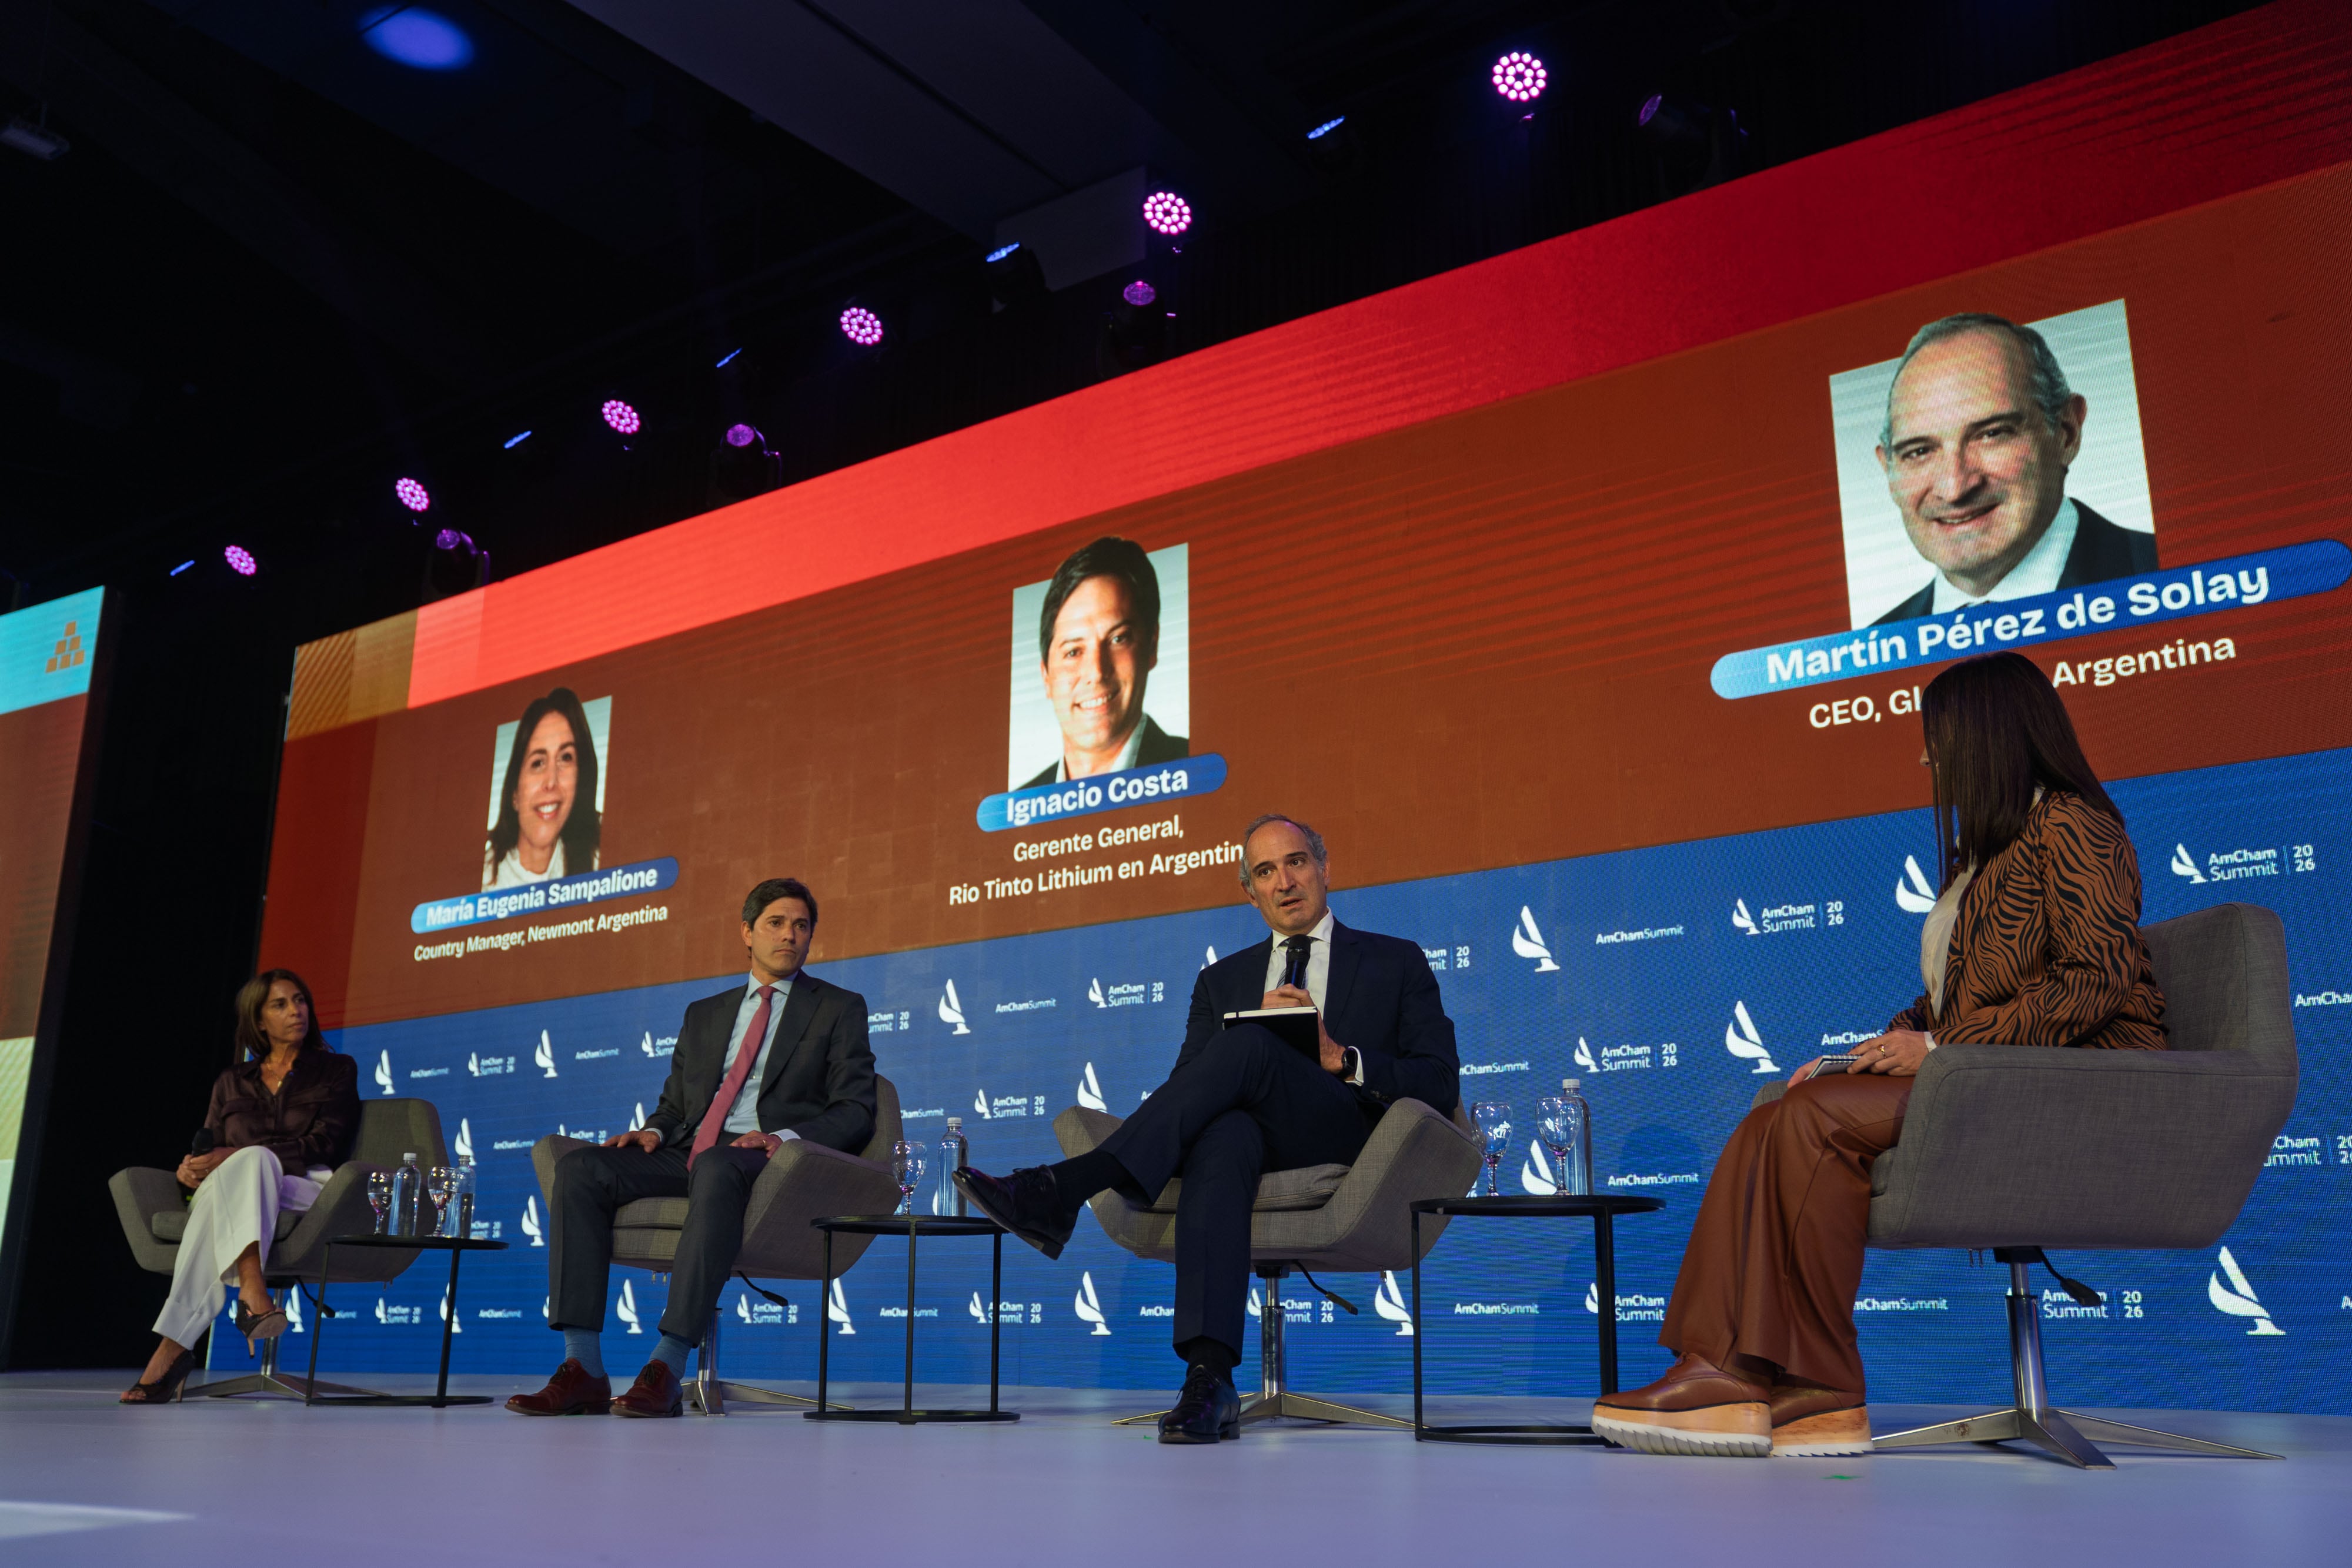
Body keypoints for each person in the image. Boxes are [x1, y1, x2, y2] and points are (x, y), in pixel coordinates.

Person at [1593, 651, 2165, 1457]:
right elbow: (1953, 1002)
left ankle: (1806, 1382)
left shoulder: (2075, 823)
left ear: (1988, 738)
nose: (1925, 759)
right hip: (1987, 1072)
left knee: (1814, 1122)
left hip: (2067, 1086)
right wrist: (1856, 1056)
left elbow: (2096, 982)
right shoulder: (1988, 854)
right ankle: (1748, 1376)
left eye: (1937, 739)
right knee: (1776, 1115)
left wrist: (1935, 1045)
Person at [955, 814, 1457, 1443]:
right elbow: (1187, 1092)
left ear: (1325, 868)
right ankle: (1209, 1378)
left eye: (1296, 862)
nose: (1284, 882)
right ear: (1249, 891)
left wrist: (1339, 1056)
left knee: (1246, 1044)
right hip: (1248, 1145)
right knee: (1223, 1135)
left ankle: (1065, 1187)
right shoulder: (1220, 980)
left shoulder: (1394, 961)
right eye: (1265, 872)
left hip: (1347, 1139)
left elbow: (1440, 1082)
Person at [506, 878, 877, 1418]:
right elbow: (677, 1105)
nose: (791, 936)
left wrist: (782, 1138)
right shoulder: (705, 1013)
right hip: (690, 1149)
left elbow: (856, 1109)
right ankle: (582, 1365)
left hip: (766, 1158)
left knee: (720, 1165)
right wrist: (655, 1130)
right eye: (776, 923)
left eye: (802, 926)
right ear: (747, 932)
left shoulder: (838, 1008)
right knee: (583, 1167)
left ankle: (667, 1364)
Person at [121, 970, 359, 1404]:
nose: (296, 1010)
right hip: (239, 1192)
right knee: (235, 1177)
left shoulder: (335, 1069)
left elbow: (324, 1143)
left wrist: (236, 1157)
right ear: (259, 1021)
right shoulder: (231, 1080)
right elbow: (208, 1148)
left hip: (310, 1189)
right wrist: (189, 1170)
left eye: (300, 1000)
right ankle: (253, 1295)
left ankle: (174, 1348)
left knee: (253, 1160)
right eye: (280, 1004)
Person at [1869, 313, 2156, 626]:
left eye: (1992, 434)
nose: (1955, 488)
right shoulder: (1869, 650)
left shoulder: (2172, 572)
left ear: (2067, 432)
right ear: (1889, 472)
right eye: (1920, 451)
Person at [1019, 537, 1188, 788]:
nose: (1097, 672)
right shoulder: (1022, 802)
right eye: (1074, 652)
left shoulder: (1193, 766)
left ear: (1152, 645)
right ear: (1046, 676)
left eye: (1118, 639)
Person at [483, 686, 602, 890]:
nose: (551, 782)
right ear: (515, 794)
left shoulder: (599, 862)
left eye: (566, 758)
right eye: (538, 763)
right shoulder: (483, 883)